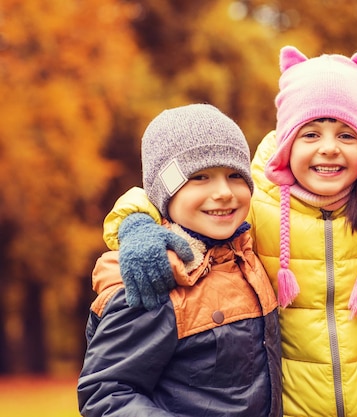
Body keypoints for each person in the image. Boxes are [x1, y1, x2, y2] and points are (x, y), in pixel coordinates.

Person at [100, 47, 357, 416]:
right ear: (287, 143)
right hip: (296, 408)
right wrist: (136, 225)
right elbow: (159, 193)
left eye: (346, 134)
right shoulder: (250, 200)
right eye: (310, 133)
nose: (328, 147)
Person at [77, 104, 282, 417]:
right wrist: (137, 226)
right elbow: (106, 393)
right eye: (200, 177)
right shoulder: (152, 275)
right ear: (166, 193)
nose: (224, 192)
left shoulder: (247, 255)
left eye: (234, 175)